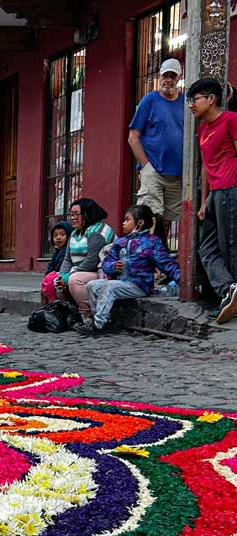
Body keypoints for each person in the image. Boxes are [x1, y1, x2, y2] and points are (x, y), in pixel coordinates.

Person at [77, 205, 181, 335]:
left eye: (127, 220)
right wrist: (114, 266)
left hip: (139, 284)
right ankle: (101, 319)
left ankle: (98, 325)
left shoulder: (151, 242)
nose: (123, 223)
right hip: (122, 282)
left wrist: (181, 279)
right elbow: (106, 263)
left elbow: (166, 263)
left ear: (140, 223)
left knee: (110, 287)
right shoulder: (120, 242)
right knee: (92, 285)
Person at [189, 78, 237, 324]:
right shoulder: (202, 129)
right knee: (206, 247)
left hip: (232, 188)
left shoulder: (231, 120)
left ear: (211, 99)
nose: (191, 105)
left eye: (195, 99)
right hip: (215, 194)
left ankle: (231, 298)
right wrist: (204, 200)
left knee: (229, 246)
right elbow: (205, 167)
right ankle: (229, 289)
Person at [129, 58, 184, 223]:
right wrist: (146, 165)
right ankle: (151, 249)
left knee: (174, 220)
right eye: (165, 75)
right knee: (150, 218)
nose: (168, 79)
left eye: (172, 76)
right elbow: (133, 137)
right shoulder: (149, 100)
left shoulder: (186, 102)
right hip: (153, 170)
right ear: (159, 77)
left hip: (178, 174)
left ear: (179, 78)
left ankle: (165, 249)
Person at [55, 198, 115, 320]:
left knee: (74, 280)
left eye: (76, 214)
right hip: (82, 271)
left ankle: (89, 315)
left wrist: (68, 277)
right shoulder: (74, 233)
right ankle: (72, 314)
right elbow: (67, 259)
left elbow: (92, 262)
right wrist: (62, 275)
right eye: (71, 214)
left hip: (103, 272)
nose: (72, 218)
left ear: (88, 214)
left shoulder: (97, 232)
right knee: (56, 281)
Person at [39, 221, 71, 304]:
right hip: (54, 277)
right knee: (44, 289)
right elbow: (50, 267)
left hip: (63, 276)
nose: (58, 238)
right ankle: (45, 309)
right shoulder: (56, 252)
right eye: (55, 235)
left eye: (62, 235)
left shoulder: (66, 251)